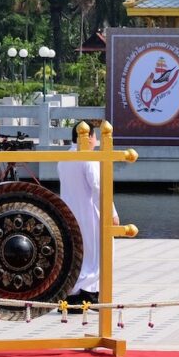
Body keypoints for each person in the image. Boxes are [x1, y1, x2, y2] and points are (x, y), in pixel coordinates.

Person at [57, 123, 119, 305]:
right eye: (96, 137)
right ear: (88, 136)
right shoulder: (88, 157)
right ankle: (87, 291)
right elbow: (99, 188)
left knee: (78, 255)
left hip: (69, 213)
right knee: (100, 254)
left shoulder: (64, 158)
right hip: (90, 213)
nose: (97, 142)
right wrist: (111, 212)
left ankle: (73, 292)